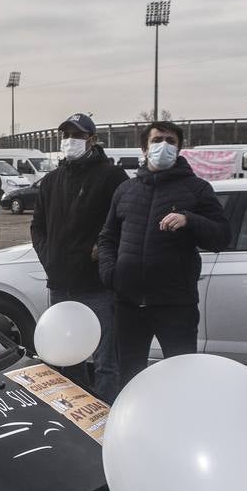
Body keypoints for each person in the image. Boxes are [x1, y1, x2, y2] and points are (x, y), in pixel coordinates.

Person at [98, 122, 231, 387]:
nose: (164, 146)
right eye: (158, 140)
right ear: (144, 148)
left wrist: (189, 219)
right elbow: (107, 237)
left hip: (175, 304)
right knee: (130, 378)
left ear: (180, 148)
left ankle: (178, 426)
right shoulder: (126, 190)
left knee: (181, 378)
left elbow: (222, 237)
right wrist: (111, 273)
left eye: (171, 141)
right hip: (129, 304)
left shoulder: (197, 189)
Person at [31, 113, 128, 400]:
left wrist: (104, 249)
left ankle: (106, 417)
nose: (69, 141)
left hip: (97, 287)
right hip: (60, 285)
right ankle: (77, 416)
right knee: (67, 357)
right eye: (65, 135)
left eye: (76, 135)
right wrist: (49, 256)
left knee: (105, 363)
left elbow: (125, 220)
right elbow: (37, 226)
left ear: (92, 140)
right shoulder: (51, 181)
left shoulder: (111, 177)